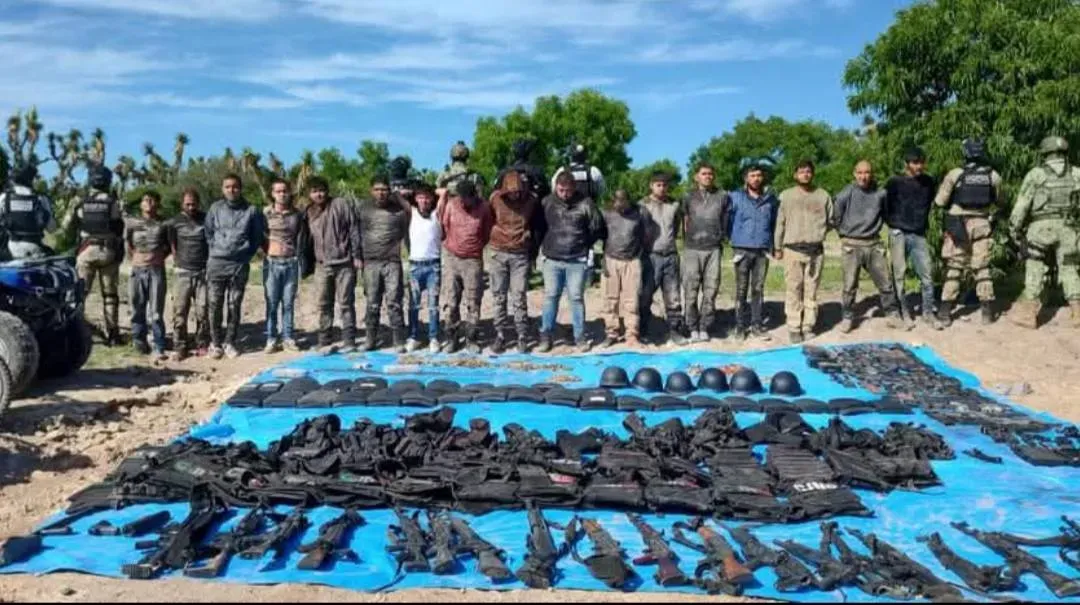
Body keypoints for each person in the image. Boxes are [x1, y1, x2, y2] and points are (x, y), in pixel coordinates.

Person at [1009, 136, 1080, 329]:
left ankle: (1029, 316)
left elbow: (1022, 206)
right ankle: (1077, 313)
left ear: (1044, 153)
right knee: (1070, 268)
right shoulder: (1076, 173)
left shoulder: (1036, 174)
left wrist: (1014, 231)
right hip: (1068, 227)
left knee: (1035, 268)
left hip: (1040, 228)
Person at [933, 138, 1005, 327]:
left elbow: (940, 202)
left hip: (958, 225)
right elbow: (1001, 202)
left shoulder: (955, 174)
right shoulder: (993, 176)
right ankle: (987, 314)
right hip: (982, 224)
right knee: (982, 268)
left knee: (955, 268)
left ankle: (945, 313)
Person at [832, 161, 905, 333]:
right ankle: (848, 317)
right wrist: (843, 234)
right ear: (854, 173)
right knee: (849, 285)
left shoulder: (880, 194)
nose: (863, 176)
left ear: (871, 174)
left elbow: (886, 214)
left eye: (867, 173)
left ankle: (892, 314)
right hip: (851, 245)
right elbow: (835, 215)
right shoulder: (846, 193)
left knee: (885, 283)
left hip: (873, 244)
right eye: (860, 173)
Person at [538, 171, 604, 352]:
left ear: (574, 188)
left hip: (577, 260)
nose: (564, 194)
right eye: (561, 190)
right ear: (556, 188)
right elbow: (539, 227)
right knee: (550, 297)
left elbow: (598, 227)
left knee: (576, 298)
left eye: (568, 190)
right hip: (552, 259)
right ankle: (546, 336)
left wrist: (585, 244)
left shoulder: (586, 203)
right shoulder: (547, 202)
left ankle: (580, 337)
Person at [204, 173, 265, 359]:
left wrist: (245, 254)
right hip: (217, 263)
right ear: (223, 189)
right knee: (214, 304)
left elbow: (257, 238)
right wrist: (217, 249)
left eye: (235, 187)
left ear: (240, 188)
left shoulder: (251, 210)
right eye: (228, 187)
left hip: (239, 265)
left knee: (234, 304)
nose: (232, 190)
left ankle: (230, 342)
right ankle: (215, 344)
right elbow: (208, 232)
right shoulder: (215, 208)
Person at [775, 160, 833, 344]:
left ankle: (808, 325)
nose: (805, 174)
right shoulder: (786, 196)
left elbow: (831, 220)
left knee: (811, 290)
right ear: (795, 175)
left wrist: (817, 233)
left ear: (813, 174)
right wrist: (777, 247)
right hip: (792, 250)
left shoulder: (822, 195)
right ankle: (794, 326)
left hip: (815, 250)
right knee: (794, 289)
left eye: (808, 171)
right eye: (801, 171)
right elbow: (780, 223)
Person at [65, 164, 124, 345]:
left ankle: (74, 331)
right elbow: (118, 227)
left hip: (86, 251)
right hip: (108, 252)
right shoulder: (112, 202)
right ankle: (113, 333)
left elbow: (67, 225)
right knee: (110, 295)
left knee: (80, 294)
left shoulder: (81, 202)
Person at [488, 169, 544, 354]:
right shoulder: (495, 199)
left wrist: (531, 242)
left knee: (519, 296)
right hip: (498, 252)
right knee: (499, 296)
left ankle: (522, 335)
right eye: (511, 191)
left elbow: (538, 223)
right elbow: (487, 219)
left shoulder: (532, 200)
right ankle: (500, 334)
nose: (515, 194)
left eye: (518, 191)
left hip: (520, 253)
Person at [305, 176, 362, 352]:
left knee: (346, 303)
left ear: (327, 191)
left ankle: (349, 341)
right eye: (314, 191)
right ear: (309, 194)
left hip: (344, 263)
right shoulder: (308, 212)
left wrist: (357, 255)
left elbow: (353, 229)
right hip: (322, 265)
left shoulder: (340, 204)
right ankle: (324, 341)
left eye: (321, 190)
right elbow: (306, 239)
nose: (318, 194)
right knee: (324, 304)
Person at [438, 179, 494, 354]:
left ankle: (471, 339)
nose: (463, 202)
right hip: (452, 258)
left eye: (466, 198)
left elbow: (487, 232)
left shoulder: (484, 208)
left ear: (473, 196)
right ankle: (452, 339)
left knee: (473, 302)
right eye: (460, 198)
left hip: (473, 261)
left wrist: (474, 248)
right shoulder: (451, 206)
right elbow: (444, 228)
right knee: (451, 302)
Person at [885, 147, 938, 328]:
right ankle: (903, 312)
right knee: (899, 275)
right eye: (915, 162)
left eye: (922, 162)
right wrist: (893, 226)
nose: (919, 166)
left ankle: (928, 312)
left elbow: (931, 203)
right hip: (898, 233)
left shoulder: (929, 182)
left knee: (927, 275)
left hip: (919, 234)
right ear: (907, 164)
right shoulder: (894, 182)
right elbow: (885, 206)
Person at [727, 163, 780, 341]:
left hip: (762, 252)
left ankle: (757, 325)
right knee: (741, 290)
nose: (756, 178)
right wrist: (734, 239)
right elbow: (727, 221)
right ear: (745, 178)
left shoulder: (770, 200)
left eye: (758, 175)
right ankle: (740, 327)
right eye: (752, 175)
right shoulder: (735, 197)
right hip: (741, 250)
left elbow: (774, 224)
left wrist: (772, 246)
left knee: (758, 289)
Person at [359, 175, 409, 352]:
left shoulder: (399, 211)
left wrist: (400, 197)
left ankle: (398, 340)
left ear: (390, 191)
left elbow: (405, 231)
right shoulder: (363, 209)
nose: (381, 193)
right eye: (377, 189)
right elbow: (357, 234)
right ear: (371, 191)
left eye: (384, 189)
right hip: (370, 262)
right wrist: (357, 257)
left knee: (394, 302)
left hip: (392, 262)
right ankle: (370, 339)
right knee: (372, 302)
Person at [681, 162, 729, 342]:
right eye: (703, 174)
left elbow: (726, 219)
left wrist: (721, 237)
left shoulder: (722, 196)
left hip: (714, 249)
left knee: (711, 289)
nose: (707, 176)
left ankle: (704, 327)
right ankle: (691, 326)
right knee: (690, 289)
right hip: (692, 248)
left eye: (710, 174)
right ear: (696, 177)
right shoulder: (688, 196)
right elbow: (685, 220)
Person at [262, 177, 308, 353]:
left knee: (288, 303)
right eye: (278, 191)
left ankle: (288, 337)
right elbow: (261, 235)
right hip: (272, 263)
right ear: (273, 194)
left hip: (290, 263)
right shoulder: (265, 213)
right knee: (272, 302)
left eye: (285, 191)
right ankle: (271, 338)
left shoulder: (297, 215)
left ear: (290, 193)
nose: (282, 194)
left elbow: (300, 236)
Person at [640, 171, 687, 345]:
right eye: (658, 185)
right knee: (645, 296)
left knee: (673, 296)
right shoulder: (643, 205)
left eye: (665, 185)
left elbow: (675, 228)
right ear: (651, 186)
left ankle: (675, 330)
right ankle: (644, 331)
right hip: (651, 257)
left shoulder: (674, 205)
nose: (662, 188)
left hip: (671, 255)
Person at [125, 190, 170, 358]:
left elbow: (169, 245)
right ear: (141, 204)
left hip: (156, 270)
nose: (149, 202)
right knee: (137, 307)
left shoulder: (163, 223)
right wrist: (137, 258)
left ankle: (159, 344)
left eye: (152, 199)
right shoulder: (132, 222)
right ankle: (139, 341)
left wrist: (157, 257)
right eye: (145, 199)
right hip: (137, 269)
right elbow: (128, 243)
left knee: (156, 310)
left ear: (157, 203)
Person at [166, 188, 210, 360]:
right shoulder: (174, 222)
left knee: (203, 310)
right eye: (187, 204)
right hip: (182, 272)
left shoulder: (206, 220)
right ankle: (180, 346)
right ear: (182, 204)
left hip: (203, 272)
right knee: (180, 311)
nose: (191, 207)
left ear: (198, 203)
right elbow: (171, 244)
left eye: (194, 204)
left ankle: (202, 343)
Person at [600, 189, 644, 347]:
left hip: (631, 261)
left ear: (628, 200)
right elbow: (601, 236)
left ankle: (631, 334)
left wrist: (638, 256)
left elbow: (644, 236)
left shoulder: (639, 215)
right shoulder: (606, 214)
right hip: (611, 259)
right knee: (609, 299)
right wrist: (603, 259)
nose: (620, 203)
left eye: (623, 200)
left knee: (632, 300)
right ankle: (611, 333)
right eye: (616, 200)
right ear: (613, 201)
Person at [404, 184, 443, 353]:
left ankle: (433, 337)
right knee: (414, 305)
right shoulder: (411, 213)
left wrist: (433, 192)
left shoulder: (436, 214)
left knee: (433, 305)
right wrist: (410, 192)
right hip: (414, 266)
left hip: (433, 266)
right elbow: (398, 196)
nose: (424, 200)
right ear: (415, 199)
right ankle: (413, 337)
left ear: (432, 199)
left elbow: (444, 192)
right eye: (420, 197)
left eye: (427, 197)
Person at [0, 161, 55, 260]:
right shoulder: (41, 199)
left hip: (12, 250)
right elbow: (52, 228)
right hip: (35, 249)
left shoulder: (4, 198)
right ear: (31, 180)